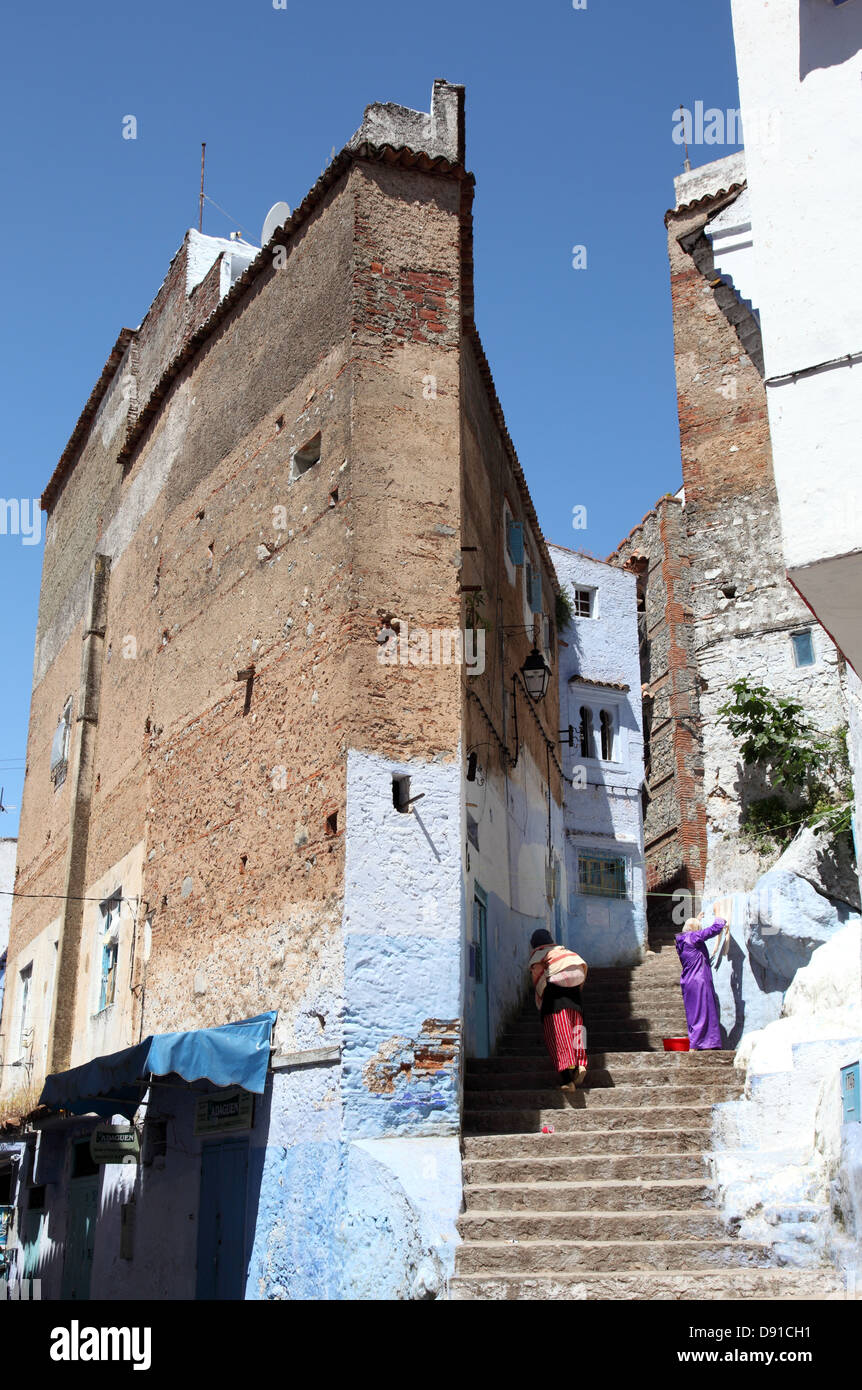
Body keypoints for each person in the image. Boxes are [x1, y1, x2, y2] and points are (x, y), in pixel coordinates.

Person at [528, 929, 588, 1090]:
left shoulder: (539, 954)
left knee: (559, 1036)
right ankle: (580, 1064)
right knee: (577, 1029)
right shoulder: (563, 951)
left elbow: (538, 979)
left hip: (554, 1001)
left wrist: (540, 999)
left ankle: (567, 1080)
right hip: (575, 996)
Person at [674, 910, 729, 1050]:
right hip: (699, 980)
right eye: (698, 927)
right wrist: (720, 919)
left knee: (694, 1012)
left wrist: (696, 920)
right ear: (694, 930)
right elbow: (713, 930)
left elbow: (693, 931)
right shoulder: (693, 937)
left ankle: (701, 1042)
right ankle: (700, 1043)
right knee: (704, 1010)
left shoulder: (681, 940)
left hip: (687, 980)